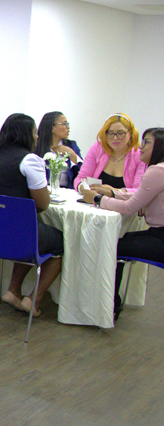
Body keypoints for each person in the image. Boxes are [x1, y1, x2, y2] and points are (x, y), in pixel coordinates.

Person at [0, 113, 63, 317]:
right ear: (26, 134)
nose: (36, 137)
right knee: (60, 242)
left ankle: (13, 291)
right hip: (15, 236)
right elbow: (42, 204)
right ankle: (34, 300)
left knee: (29, 230)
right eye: (34, 132)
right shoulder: (29, 160)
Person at [82, 128, 164, 319]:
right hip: (157, 233)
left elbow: (129, 208)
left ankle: (108, 306)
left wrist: (97, 199)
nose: (141, 147)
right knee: (120, 240)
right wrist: (113, 192)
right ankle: (111, 304)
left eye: (147, 142)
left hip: (160, 237)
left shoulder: (157, 171)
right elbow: (139, 195)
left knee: (112, 245)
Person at [74, 113, 145, 195]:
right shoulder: (98, 148)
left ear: (131, 134)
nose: (115, 138)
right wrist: (83, 188)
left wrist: (114, 192)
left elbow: (139, 191)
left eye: (121, 133)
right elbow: (80, 178)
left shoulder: (139, 154)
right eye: (110, 133)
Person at [34, 111, 83, 189]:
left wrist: (72, 154)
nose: (68, 127)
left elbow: (84, 172)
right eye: (64, 124)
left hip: (68, 191)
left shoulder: (71, 146)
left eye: (68, 124)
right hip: (45, 191)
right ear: (52, 127)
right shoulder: (37, 147)